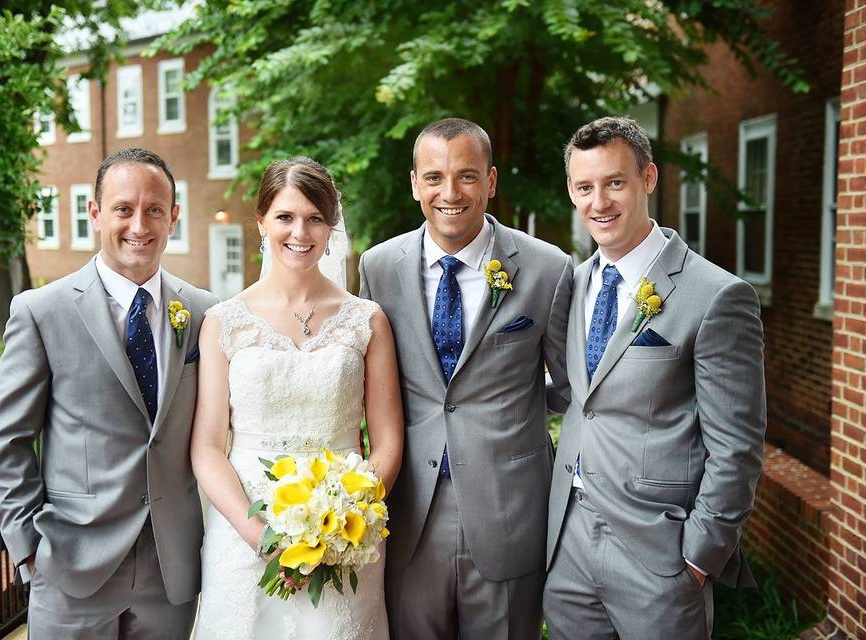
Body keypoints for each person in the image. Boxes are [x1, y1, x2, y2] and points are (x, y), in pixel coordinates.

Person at [543, 116, 766, 639]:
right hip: (566, 546)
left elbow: (737, 445)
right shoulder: (570, 285)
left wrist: (699, 555)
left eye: (615, 182)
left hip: (659, 555)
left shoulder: (715, 295)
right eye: (585, 187)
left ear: (648, 179)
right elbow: (578, 397)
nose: (599, 202)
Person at [0, 147, 219, 638]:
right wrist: (29, 549)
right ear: (95, 213)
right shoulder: (40, 311)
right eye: (123, 208)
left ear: (173, 216)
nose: (139, 224)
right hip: (71, 568)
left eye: (154, 209)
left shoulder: (203, 312)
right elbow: (6, 438)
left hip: (171, 571)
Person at [359, 117, 573, 639]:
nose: (449, 192)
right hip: (409, 509)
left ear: (492, 181)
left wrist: (513, 409)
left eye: (467, 176)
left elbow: (571, 389)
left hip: (510, 511)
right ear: (414, 184)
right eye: (433, 177)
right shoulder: (378, 267)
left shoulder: (549, 269)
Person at [190, 156, 404, 639]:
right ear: (262, 221)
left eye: (314, 218)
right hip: (245, 531)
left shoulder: (367, 321)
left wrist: (349, 517)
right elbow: (207, 446)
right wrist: (261, 538)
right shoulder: (226, 321)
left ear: (331, 228)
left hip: (346, 533)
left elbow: (388, 441)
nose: (299, 232)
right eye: (285, 216)